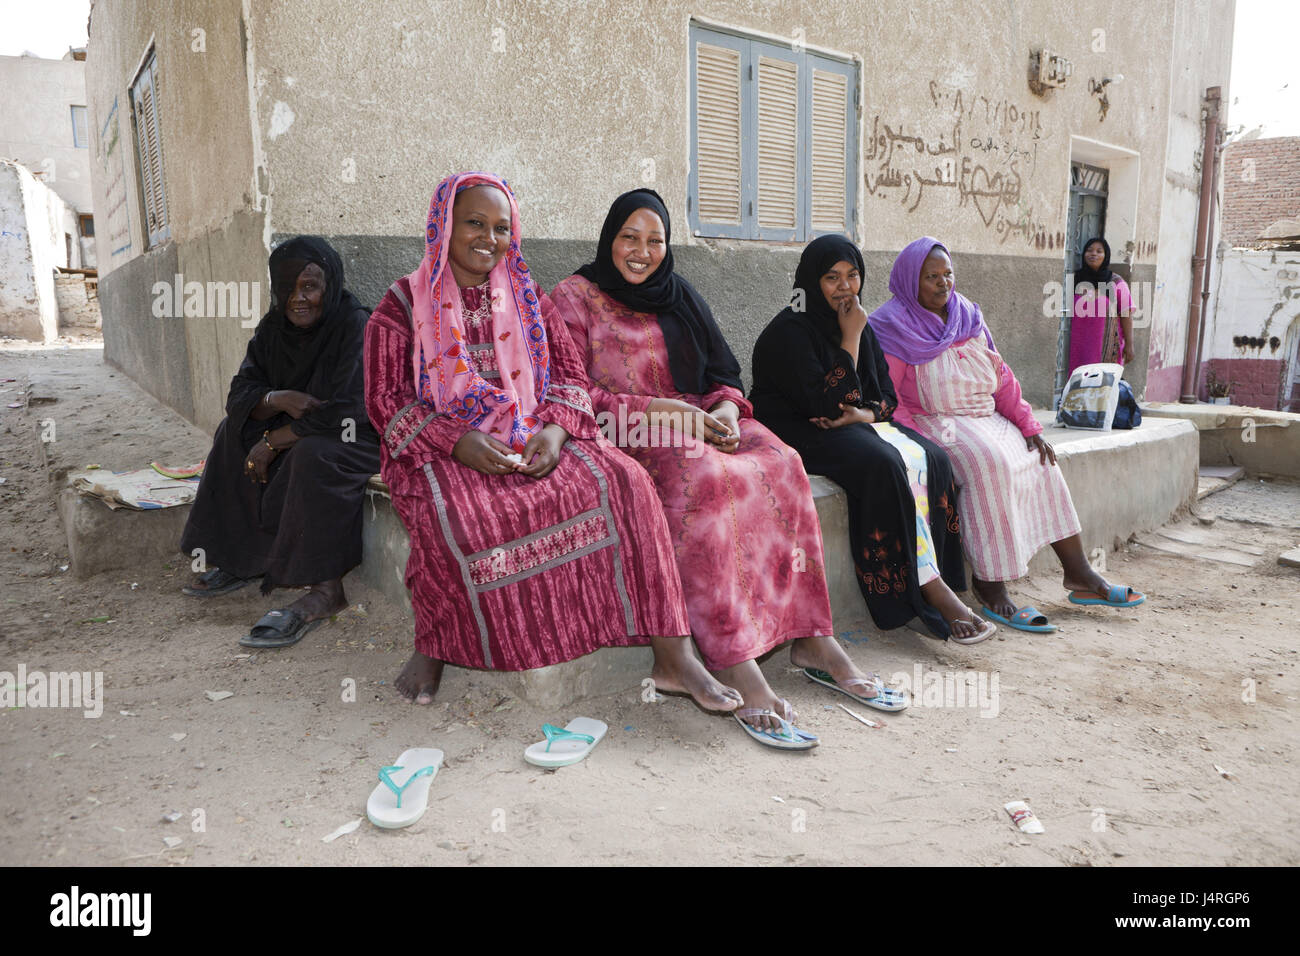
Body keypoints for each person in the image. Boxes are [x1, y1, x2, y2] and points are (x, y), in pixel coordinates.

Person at [363, 171, 741, 713]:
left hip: (533, 431)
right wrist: (457, 442)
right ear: (443, 225)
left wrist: (557, 430)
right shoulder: (402, 304)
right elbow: (385, 400)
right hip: (439, 445)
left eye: (501, 227)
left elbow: (568, 377)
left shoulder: (527, 296)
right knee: (458, 512)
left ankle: (673, 656)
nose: (488, 239)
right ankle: (436, 646)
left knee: (626, 481)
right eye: (474, 223)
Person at [551, 189, 903, 749]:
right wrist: (665, 413)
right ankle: (734, 658)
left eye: (655, 241)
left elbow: (724, 372)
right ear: (609, 238)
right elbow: (571, 394)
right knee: (705, 478)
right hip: (627, 430)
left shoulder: (679, 295)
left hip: (700, 419)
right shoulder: (571, 300)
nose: (642, 252)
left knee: (783, 461)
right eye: (629, 238)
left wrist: (721, 409)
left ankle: (811, 636)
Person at [869, 237, 1144, 632]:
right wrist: (918, 442)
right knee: (990, 464)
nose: (943, 284)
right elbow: (892, 398)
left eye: (948, 274)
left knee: (1040, 457)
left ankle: (1079, 573)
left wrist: (1028, 424)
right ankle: (990, 586)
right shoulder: (892, 326)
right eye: (931, 277)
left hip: (986, 415)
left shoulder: (967, 315)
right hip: (935, 423)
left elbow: (1002, 378)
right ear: (911, 280)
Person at [750, 235, 995, 645]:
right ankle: (915, 592)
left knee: (933, 457)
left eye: (853, 276)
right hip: (799, 428)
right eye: (832, 278)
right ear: (811, 281)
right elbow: (827, 406)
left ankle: (941, 580)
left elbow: (884, 395)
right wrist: (849, 338)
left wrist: (864, 413)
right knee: (881, 463)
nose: (845, 287)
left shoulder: (858, 323)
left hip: (849, 422)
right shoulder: (788, 332)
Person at [179, 236, 381, 648]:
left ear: (330, 283)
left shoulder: (355, 324)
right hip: (299, 428)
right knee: (230, 432)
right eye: (286, 289)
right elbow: (240, 394)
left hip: (356, 435)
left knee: (312, 455)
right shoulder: (273, 330)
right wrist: (277, 399)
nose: (297, 299)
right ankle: (241, 558)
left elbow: (351, 407)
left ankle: (327, 590)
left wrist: (274, 442)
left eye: (310, 286)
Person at [1068, 237, 1134, 374]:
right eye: (1089, 250)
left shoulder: (1116, 282)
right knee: (1078, 387)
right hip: (1078, 347)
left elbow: (1126, 315)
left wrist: (1130, 344)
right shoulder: (1074, 280)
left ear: (1106, 256)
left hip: (1106, 349)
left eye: (1099, 251)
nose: (1094, 254)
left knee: (1103, 389)